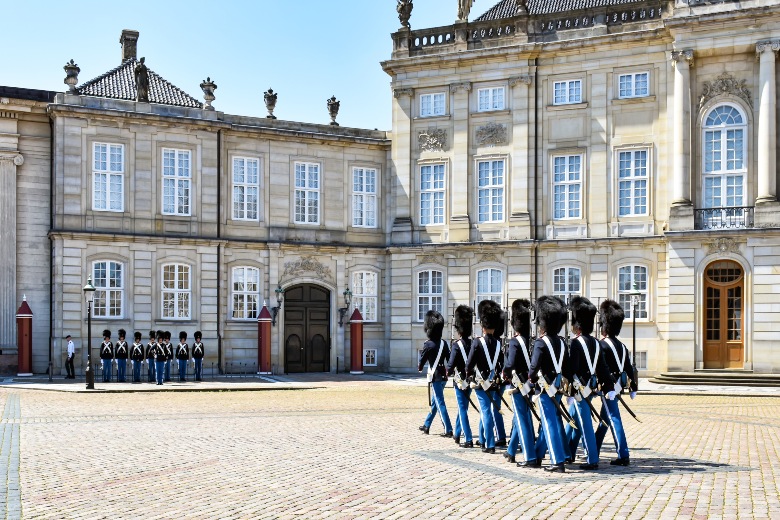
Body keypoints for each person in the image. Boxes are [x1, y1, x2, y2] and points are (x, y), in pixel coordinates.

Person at [564, 296, 612, 470]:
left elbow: (572, 369)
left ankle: (592, 459)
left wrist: (568, 389)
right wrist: (610, 386)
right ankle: (567, 451)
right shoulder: (596, 343)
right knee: (573, 420)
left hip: (578, 390)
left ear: (577, 326)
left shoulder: (576, 343)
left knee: (584, 424)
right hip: (589, 388)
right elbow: (603, 368)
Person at [528, 295, 571, 473]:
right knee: (550, 422)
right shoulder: (562, 342)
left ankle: (557, 461)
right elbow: (567, 367)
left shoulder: (541, 342)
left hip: (545, 388)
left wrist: (530, 378)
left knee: (549, 423)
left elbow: (533, 367)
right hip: (558, 387)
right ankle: (538, 455)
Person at [595, 299, 637, 466]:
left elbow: (600, 368)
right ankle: (594, 447)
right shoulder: (622, 346)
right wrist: (633, 386)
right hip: (618, 385)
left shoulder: (602, 345)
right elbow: (629, 368)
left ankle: (623, 453)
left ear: (604, 326)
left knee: (613, 418)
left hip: (608, 386)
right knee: (604, 420)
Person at [503, 299, 539, 467]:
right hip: (529, 384)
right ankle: (511, 451)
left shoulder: (515, 341)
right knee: (521, 418)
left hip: (517, 385)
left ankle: (529, 456)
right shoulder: (532, 340)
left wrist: (505, 373)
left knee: (521, 418)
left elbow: (509, 364)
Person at [466, 300, 503, 454]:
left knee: (485, 411)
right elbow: (501, 364)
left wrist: (469, 375)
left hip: (481, 383)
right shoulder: (499, 343)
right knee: (486, 410)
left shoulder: (477, 342)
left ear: (483, 325)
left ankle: (490, 443)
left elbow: (469, 364)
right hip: (493, 382)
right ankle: (482, 438)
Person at [417, 310, 453, 437]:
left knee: (439, 401)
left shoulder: (428, 344)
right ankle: (427, 425)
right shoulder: (444, 343)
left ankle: (448, 429)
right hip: (443, 376)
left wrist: (420, 367)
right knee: (435, 401)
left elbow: (422, 360)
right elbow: (449, 360)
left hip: (435, 376)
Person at [446, 305, 475, 448]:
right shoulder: (473, 343)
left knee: (462, 408)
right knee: (463, 407)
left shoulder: (457, 345)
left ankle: (468, 438)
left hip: (459, 381)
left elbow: (450, 365)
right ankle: (457, 433)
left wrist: (447, 371)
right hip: (469, 380)